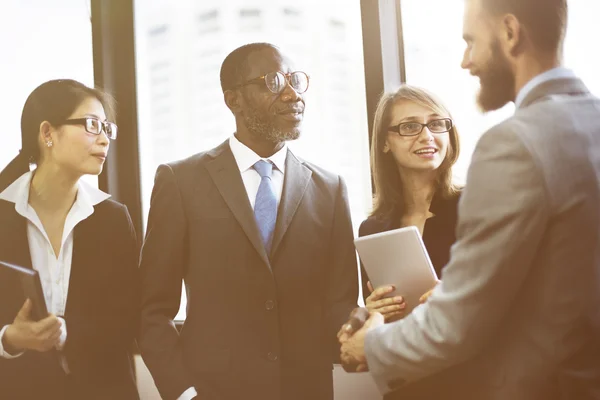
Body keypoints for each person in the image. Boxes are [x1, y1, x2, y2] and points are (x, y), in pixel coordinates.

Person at [339, 0, 600, 399]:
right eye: (409, 127)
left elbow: (461, 321)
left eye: (471, 41)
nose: (466, 61)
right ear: (386, 143)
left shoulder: (513, 143)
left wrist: (369, 346)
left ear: (510, 32)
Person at [138, 42, 358, 400]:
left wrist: (359, 328)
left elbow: (340, 301)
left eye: (295, 81)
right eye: (273, 82)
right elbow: (152, 310)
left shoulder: (330, 188)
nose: (292, 95)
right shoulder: (180, 181)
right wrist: (183, 393)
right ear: (233, 99)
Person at [0, 79, 140, 399]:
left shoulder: (114, 219)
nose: (105, 139)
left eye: (107, 127)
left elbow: (129, 318)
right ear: (47, 132)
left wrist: (67, 335)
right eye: (92, 125)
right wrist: (9, 338)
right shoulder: (1, 216)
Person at [359, 85, 461, 329]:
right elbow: (384, 323)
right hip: (411, 361)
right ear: (385, 142)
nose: (426, 136)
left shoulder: (476, 207)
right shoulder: (373, 230)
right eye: (410, 127)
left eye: (436, 124)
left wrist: (456, 298)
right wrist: (374, 312)